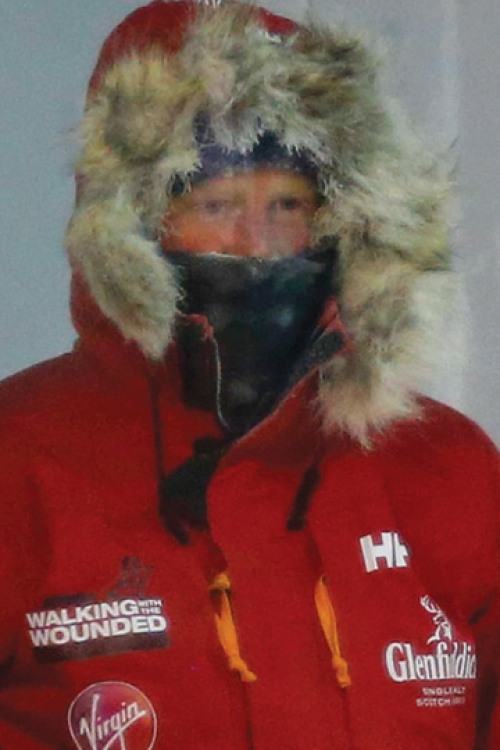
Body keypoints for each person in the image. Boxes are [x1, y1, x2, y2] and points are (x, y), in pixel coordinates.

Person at [0, 1, 499, 748]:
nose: (257, 242)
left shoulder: (445, 468)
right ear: (132, 222)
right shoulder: (21, 458)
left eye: (289, 203)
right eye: (216, 203)